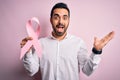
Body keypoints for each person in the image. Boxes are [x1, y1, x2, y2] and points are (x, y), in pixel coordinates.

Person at [20, 2, 115, 80]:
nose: (61, 21)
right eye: (56, 17)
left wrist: (96, 52)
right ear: (51, 20)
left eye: (64, 17)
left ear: (68, 20)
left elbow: (87, 71)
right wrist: (27, 52)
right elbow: (32, 71)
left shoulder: (78, 43)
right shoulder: (40, 43)